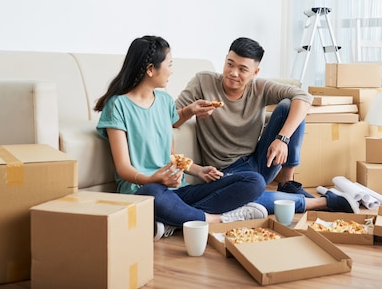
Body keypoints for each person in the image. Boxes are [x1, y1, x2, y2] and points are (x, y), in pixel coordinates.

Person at [95, 35, 269, 241]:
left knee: (254, 181)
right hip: (143, 191)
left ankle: (173, 220)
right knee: (155, 194)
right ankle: (214, 220)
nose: (171, 70)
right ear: (151, 69)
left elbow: (171, 156)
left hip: (177, 191)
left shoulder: (164, 101)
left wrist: (198, 170)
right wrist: (153, 179)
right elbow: (123, 168)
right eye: (169, 64)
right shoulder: (117, 106)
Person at [173, 37, 358, 214]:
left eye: (242, 69)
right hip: (226, 173)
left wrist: (282, 139)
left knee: (288, 105)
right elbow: (170, 120)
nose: (233, 73)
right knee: (244, 197)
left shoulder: (259, 87)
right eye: (230, 64)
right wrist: (190, 111)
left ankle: (287, 183)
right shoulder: (203, 81)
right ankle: (320, 203)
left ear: (255, 73)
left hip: (261, 160)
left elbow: (303, 97)